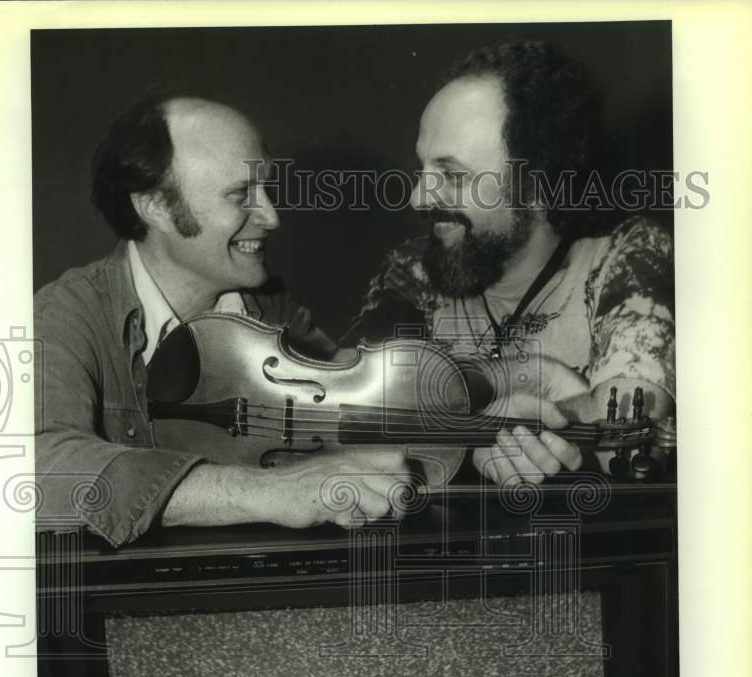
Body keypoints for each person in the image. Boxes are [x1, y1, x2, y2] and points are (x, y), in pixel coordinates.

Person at [34, 93, 410, 547]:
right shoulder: (65, 315)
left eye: (266, 189)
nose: (271, 216)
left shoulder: (273, 308)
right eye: (240, 194)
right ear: (154, 205)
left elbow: (357, 414)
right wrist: (262, 492)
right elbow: (37, 467)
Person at [347, 40, 675, 485]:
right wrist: (520, 380)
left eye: (452, 175)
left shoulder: (629, 253)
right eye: (422, 168)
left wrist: (462, 421)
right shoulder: (413, 267)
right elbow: (341, 405)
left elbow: (629, 428)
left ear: (537, 184)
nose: (418, 197)